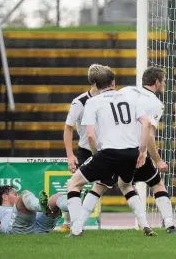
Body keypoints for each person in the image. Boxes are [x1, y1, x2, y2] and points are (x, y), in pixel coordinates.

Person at [79, 67, 176, 234]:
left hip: (111, 148)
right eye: (163, 81)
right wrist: (157, 159)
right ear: (157, 82)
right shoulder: (156, 104)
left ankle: (78, 226)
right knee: (156, 183)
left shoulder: (126, 91)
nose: (164, 84)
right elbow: (149, 134)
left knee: (103, 186)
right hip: (133, 151)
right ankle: (170, 225)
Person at [65, 65, 154, 237]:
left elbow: (90, 135)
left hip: (108, 153)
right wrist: (142, 151)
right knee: (125, 184)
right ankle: (145, 225)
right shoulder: (130, 98)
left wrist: (97, 154)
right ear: (114, 82)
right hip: (131, 152)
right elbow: (146, 123)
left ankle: (76, 230)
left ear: (95, 85)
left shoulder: (92, 102)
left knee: (73, 184)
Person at [62, 64, 102, 231]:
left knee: (106, 184)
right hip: (86, 150)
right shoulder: (80, 102)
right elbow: (68, 127)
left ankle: (77, 224)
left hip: (106, 150)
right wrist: (70, 155)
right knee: (76, 184)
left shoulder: (109, 100)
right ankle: (69, 222)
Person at [0, 185, 67, 234]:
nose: (17, 196)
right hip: (20, 229)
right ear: (4, 196)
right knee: (24, 194)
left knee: (56, 198)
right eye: (15, 194)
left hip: (41, 227)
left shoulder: (23, 206)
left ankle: (76, 209)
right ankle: (41, 206)